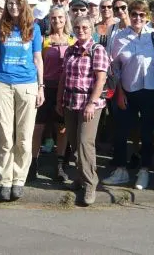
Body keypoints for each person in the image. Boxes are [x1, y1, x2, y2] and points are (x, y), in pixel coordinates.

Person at [104, 0, 154, 190]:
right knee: (122, 131)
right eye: (134, 14)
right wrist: (119, 92)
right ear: (129, 15)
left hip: (151, 92)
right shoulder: (119, 38)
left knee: (147, 132)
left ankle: (144, 171)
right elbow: (114, 67)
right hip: (127, 91)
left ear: (147, 17)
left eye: (142, 15)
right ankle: (121, 170)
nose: (137, 18)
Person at [0, 0, 44, 202]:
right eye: (10, 3)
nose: (13, 7)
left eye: (17, 3)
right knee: (5, 137)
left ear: (24, 4)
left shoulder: (34, 28)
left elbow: (38, 59)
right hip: (3, 84)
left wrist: (41, 86)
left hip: (27, 85)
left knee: (25, 138)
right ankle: (5, 181)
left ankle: (19, 180)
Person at [57, 15, 109, 206]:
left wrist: (91, 103)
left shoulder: (97, 50)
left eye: (85, 28)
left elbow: (101, 79)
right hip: (71, 102)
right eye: (78, 27)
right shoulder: (70, 50)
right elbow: (63, 77)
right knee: (73, 142)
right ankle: (80, 176)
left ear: (92, 29)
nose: (81, 31)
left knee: (85, 143)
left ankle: (90, 183)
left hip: (89, 105)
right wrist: (58, 101)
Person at [33, 6, 74, 182]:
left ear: (66, 19)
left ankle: (59, 165)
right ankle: (32, 165)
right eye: (53, 18)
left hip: (64, 89)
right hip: (45, 88)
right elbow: (37, 64)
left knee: (62, 129)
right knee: (38, 128)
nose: (57, 21)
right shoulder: (44, 40)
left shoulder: (72, 41)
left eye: (60, 17)